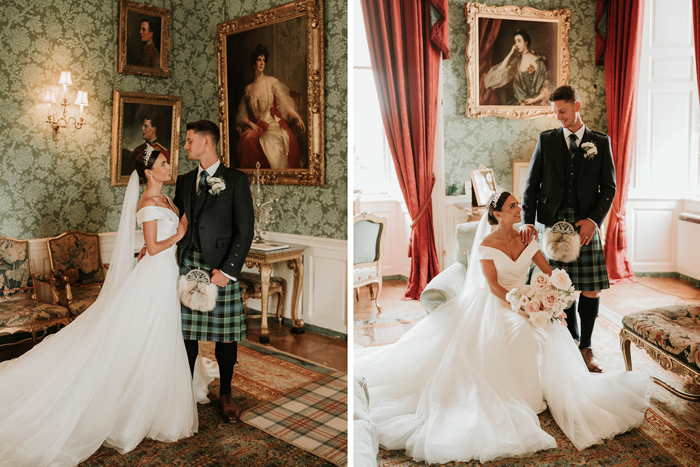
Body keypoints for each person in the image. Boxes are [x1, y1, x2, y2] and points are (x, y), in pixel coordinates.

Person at [354, 191, 650, 465]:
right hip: (497, 303)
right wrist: (521, 307)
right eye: (513, 207)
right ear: (497, 214)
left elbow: (548, 272)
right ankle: (522, 397)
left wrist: (549, 299)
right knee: (520, 330)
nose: (520, 209)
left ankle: (540, 389)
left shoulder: (527, 238)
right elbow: (494, 287)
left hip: (526, 298)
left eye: (518, 204)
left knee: (546, 330)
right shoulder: (485, 245)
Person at [0, 145, 213, 465]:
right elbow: (155, 248)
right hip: (154, 276)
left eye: (168, 162)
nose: (170, 167)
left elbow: (148, 245)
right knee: (149, 335)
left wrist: (166, 240)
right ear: (149, 172)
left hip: (165, 273)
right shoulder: (147, 202)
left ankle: (154, 398)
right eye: (165, 164)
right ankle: (136, 405)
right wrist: (179, 235)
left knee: (159, 337)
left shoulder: (167, 199)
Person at [519, 85, 616, 373]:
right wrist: (527, 219)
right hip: (554, 224)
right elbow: (531, 185)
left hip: (585, 223)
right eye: (555, 112)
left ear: (577, 106)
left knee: (590, 289)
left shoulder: (600, 141)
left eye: (563, 111)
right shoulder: (546, 140)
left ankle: (586, 347)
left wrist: (594, 221)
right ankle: (569, 341)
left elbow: (608, 187)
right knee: (561, 287)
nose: (559, 117)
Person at [173, 119, 255, 423]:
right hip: (188, 266)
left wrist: (229, 271)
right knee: (187, 334)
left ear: (207, 142)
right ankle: (185, 389)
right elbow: (179, 223)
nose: (185, 146)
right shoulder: (184, 181)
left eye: (190, 140)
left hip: (220, 268)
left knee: (225, 336)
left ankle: (226, 393)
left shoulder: (235, 180)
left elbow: (244, 230)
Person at [235, 44, 305, 169]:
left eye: (263, 60)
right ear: (253, 64)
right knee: (248, 139)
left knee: (269, 140)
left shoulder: (272, 82)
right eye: (258, 59)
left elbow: (285, 104)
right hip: (256, 125)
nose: (262, 62)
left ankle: (274, 177)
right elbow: (241, 114)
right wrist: (251, 125)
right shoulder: (248, 89)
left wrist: (297, 117)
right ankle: (254, 177)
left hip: (272, 124)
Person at [484, 29, 550, 105]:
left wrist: (533, 100)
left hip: (537, 102)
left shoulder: (538, 61)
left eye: (519, 41)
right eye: (515, 42)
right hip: (521, 102)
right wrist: (511, 52)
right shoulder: (516, 62)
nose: (516, 44)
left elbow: (547, 88)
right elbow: (501, 69)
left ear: (526, 42)